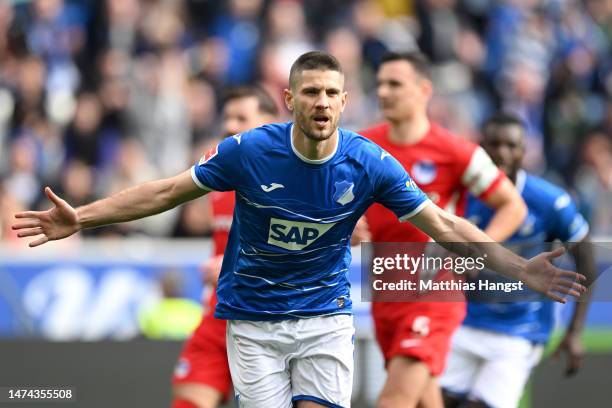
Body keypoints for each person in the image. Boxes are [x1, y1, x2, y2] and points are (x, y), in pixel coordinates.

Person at [12, 51, 586, 408]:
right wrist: (80, 216)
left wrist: (517, 268)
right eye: (310, 92)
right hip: (253, 320)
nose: (322, 102)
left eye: (332, 93)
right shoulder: (247, 152)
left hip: (323, 317)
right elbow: (165, 191)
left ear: (344, 101)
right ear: (289, 99)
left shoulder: (370, 163)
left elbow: (444, 223)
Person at [359, 51, 528, 408]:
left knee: (394, 401)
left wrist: (473, 254)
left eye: (395, 84)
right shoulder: (362, 147)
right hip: (386, 291)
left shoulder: (454, 151)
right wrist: (352, 225)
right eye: (380, 84)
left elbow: (513, 205)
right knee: (425, 398)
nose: (384, 92)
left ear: (424, 90)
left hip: (435, 291)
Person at [440, 113, 596, 408]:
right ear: (480, 148)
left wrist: (575, 331)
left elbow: (587, 261)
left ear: (524, 150)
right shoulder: (462, 195)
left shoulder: (550, 201)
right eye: (494, 144)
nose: (502, 152)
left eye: (511, 145)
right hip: (463, 321)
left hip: (520, 329)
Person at [172, 85, 279, 408]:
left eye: (241, 118)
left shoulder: (289, 182)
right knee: (189, 397)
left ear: (269, 125)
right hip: (219, 315)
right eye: (227, 117)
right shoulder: (216, 172)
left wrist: (236, 267)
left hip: (269, 320)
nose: (230, 126)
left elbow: (304, 252)